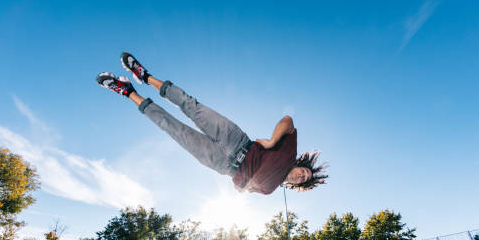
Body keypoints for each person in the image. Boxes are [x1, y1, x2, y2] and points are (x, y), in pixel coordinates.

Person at [96, 52, 327, 195]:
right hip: (236, 141)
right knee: (190, 105)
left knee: (172, 128)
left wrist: (239, 186)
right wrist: (273, 141)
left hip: (221, 164)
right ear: (301, 165)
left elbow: (243, 186)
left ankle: (127, 91)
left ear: (298, 186)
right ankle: (145, 76)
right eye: (305, 172)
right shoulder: (288, 153)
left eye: (304, 180)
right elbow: (288, 121)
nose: (302, 176)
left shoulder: (269, 190)